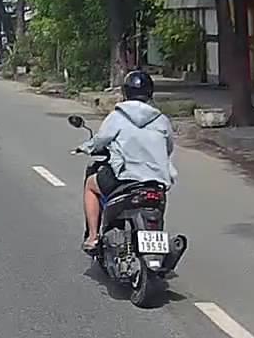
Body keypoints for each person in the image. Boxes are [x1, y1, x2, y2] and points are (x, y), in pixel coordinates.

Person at [75, 70, 178, 252]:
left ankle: (93, 237)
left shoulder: (118, 116)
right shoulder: (161, 120)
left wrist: (85, 147)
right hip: (156, 181)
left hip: (125, 178)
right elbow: (168, 147)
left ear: (125, 92)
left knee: (91, 185)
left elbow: (101, 140)